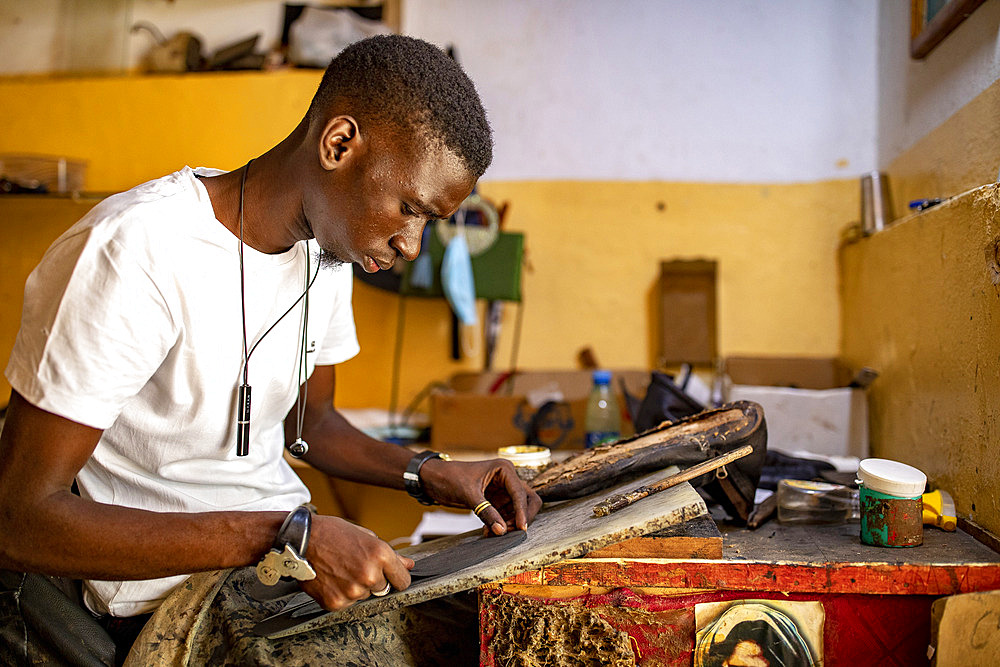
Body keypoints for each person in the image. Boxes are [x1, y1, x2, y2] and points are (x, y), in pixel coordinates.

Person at [0, 34, 541, 664]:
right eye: (409, 209)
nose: (412, 246)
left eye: (429, 223)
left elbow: (314, 430)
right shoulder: (134, 253)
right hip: (154, 606)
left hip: (269, 574)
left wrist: (427, 471)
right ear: (339, 145)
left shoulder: (326, 256)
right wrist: (286, 534)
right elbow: (20, 518)